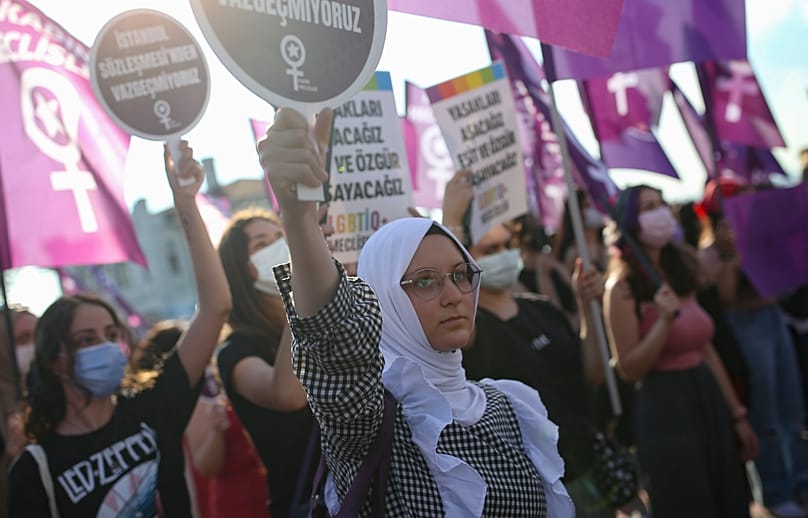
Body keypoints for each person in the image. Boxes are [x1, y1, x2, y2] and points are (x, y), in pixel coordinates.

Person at [257, 107, 573, 517]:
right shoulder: (369, 419)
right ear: (382, 298)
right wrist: (298, 217)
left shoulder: (509, 406)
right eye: (425, 280)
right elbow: (333, 337)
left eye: (461, 275)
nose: (453, 295)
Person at [8, 142, 232, 517]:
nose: (107, 347)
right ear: (55, 360)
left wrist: (186, 203)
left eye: (113, 335)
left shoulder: (153, 405)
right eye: (86, 340)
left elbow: (215, 307)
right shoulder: (35, 470)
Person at [602, 184, 759, 518]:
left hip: (706, 397)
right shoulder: (622, 289)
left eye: (661, 204)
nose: (660, 212)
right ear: (630, 222)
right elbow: (628, 368)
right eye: (647, 207)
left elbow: (708, 352)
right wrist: (663, 323)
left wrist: (737, 414)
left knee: (728, 497)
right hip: (666, 410)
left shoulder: (679, 270)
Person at [698, 178, 808, 518]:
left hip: (773, 320)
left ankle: (801, 481)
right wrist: (734, 258)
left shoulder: (765, 238)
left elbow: (783, 286)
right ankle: (775, 491)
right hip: (746, 330)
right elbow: (727, 299)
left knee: (791, 406)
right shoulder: (712, 254)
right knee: (766, 413)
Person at [215, 207, 313, 518]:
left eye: (279, 238)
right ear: (242, 270)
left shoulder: (316, 317)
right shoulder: (235, 351)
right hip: (307, 501)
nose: (278, 248)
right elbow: (286, 395)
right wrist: (295, 295)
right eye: (261, 244)